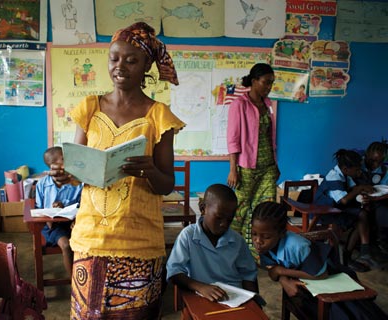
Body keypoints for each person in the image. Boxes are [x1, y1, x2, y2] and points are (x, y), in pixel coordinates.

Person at [67, 22, 184, 319]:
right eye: (114, 58)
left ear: (146, 65)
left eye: (131, 60)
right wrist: (63, 169)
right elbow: (76, 168)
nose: (120, 66)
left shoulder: (159, 116)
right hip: (91, 238)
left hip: (139, 241)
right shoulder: (90, 108)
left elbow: (167, 184)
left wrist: (148, 171)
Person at [251, 201, 388, 320]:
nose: (257, 241)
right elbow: (272, 271)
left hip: (329, 276)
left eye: (265, 236)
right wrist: (284, 279)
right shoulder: (265, 247)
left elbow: (320, 274)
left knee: (348, 312)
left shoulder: (296, 246)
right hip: (307, 280)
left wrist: (281, 271)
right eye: (254, 234)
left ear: (281, 234)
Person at [166, 184, 258, 302]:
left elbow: (249, 275)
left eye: (229, 220)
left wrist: (254, 304)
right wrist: (201, 287)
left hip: (234, 297)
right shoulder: (188, 236)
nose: (224, 224)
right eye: (219, 217)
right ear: (203, 209)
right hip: (201, 294)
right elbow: (174, 272)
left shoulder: (237, 240)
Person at [226, 63, 280, 258]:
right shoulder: (239, 104)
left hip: (268, 167)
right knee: (241, 208)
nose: (268, 87)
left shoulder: (268, 105)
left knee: (264, 209)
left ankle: (256, 253)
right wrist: (233, 169)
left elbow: (270, 138)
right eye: (266, 82)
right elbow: (232, 139)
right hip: (246, 167)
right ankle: (230, 249)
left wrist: (275, 164)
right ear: (254, 80)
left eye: (271, 84)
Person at [314, 149, 378, 270]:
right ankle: (351, 257)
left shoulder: (345, 174)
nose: (359, 172)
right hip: (324, 213)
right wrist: (359, 189)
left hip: (336, 209)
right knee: (361, 217)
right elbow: (343, 200)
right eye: (357, 170)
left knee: (363, 215)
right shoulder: (334, 177)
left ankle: (357, 254)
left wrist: (361, 193)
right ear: (346, 169)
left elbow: (353, 190)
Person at [35, 146, 83, 280]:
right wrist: (54, 211)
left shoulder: (77, 182)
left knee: (86, 243)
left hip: (74, 222)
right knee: (66, 246)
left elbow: (83, 204)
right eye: (64, 159)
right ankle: (74, 285)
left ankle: (87, 279)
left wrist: (75, 217)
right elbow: (39, 209)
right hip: (53, 227)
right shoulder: (43, 185)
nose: (69, 160)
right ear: (53, 166)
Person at [356, 141, 388, 254]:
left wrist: (374, 199)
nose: (375, 165)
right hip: (357, 200)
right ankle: (365, 248)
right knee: (362, 213)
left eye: (380, 162)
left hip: (375, 200)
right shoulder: (357, 165)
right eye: (373, 161)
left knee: (382, 211)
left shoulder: (384, 170)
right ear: (367, 155)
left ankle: (381, 242)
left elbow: (384, 189)